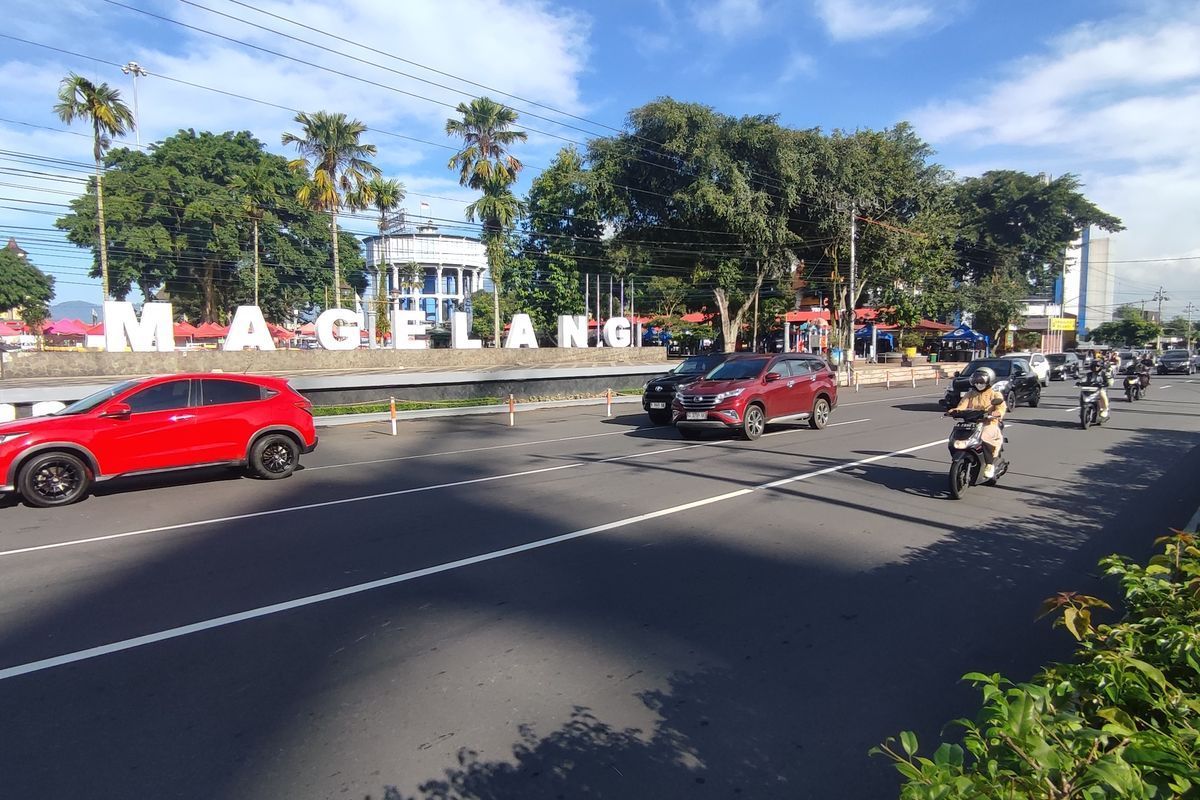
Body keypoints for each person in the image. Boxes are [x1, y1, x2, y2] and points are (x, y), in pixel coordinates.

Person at [946, 366, 1006, 479]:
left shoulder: (995, 394)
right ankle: (960, 459)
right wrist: (953, 411)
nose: (979, 383)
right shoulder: (970, 394)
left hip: (989, 423)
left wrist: (995, 413)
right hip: (971, 423)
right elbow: (961, 406)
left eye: (981, 380)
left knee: (984, 437)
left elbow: (1001, 408)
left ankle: (989, 464)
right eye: (976, 380)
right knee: (954, 438)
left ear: (989, 380)